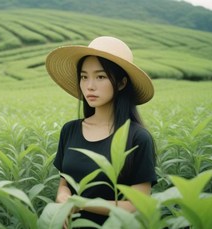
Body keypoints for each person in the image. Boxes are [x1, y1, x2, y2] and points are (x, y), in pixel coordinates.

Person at [45, 36, 157, 226]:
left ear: (121, 83)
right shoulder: (70, 130)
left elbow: (138, 204)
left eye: (100, 76)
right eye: (84, 76)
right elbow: (65, 183)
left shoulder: (137, 137)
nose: (89, 86)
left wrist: (80, 204)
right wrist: (63, 197)